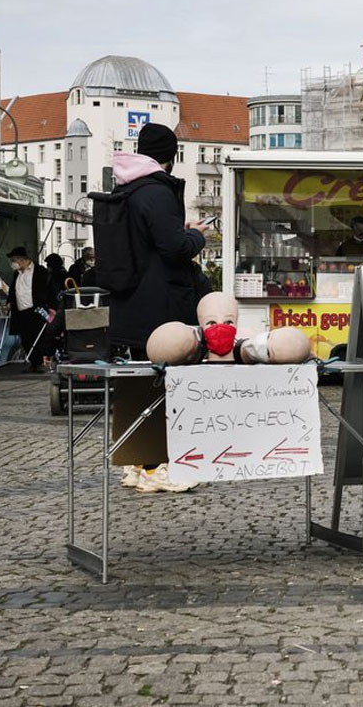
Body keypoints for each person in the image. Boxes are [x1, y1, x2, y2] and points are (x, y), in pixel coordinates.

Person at [106, 123, 210, 493]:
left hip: (130, 300)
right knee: (162, 384)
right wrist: (196, 235)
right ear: (172, 156)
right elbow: (174, 249)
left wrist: (177, 231)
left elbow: (150, 242)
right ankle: (156, 468)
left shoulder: (127, 188)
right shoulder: (157, 191)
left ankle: (135, 465)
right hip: (160, 304)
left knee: (138, 383)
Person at [6, 247, 53, 373]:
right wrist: (10, 301)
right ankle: (33, 362)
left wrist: (50, 307)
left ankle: (40, 363)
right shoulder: (17, 273)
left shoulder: (40, 271)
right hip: (21, 311)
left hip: (37, 310)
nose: (13, 263)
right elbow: (13, 290)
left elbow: (48, 289)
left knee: (39, 337)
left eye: (14, 260)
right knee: (25, 338)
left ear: (22, 260)